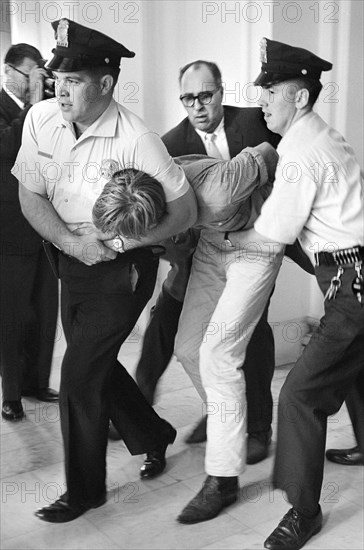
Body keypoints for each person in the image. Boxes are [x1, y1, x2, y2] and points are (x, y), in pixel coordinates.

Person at [175, 37, 364, 538]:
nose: (260, 102)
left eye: (271, 92)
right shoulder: (320, 135)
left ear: (299, 98)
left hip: (352, 281)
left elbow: (272, 235)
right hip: (347, 271)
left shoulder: (300, 150)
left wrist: (229, 233)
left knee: (300, 396)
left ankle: (305, 512)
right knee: (354, 363)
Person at [14, 18, 197, 523]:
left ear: (106, 84)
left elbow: (184, 213)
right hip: (68, 255)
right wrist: (71, 242)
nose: (60, 90)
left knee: (76, 374)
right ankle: (152, 433)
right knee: (94, 363)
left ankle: (85, 490)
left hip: (121, 267)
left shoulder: (137, 138)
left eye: (73, 82)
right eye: (57, 80)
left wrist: (115, 241)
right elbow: (29, 191)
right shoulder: (41, 119)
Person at [135, 59, 289, 464]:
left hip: (258, 243)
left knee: (247, 334)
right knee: (173, 326)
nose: (198, 105)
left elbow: (289, 164)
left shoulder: (258, 122)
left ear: (221, 91)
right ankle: (217, 410)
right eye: (189, 97)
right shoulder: (170, 144)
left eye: (206, 94)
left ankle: (257, 429)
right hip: (198, 251)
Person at [0, 43, 59, 422]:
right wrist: (35, 104)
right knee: (12, 314)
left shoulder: (46, 106)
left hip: (47, 226)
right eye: (28, 74)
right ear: (8, 72)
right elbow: (8, 145)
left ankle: (37, 382)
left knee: (45, 311)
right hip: (9, 230)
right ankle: (12, 393)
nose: (34, 81)